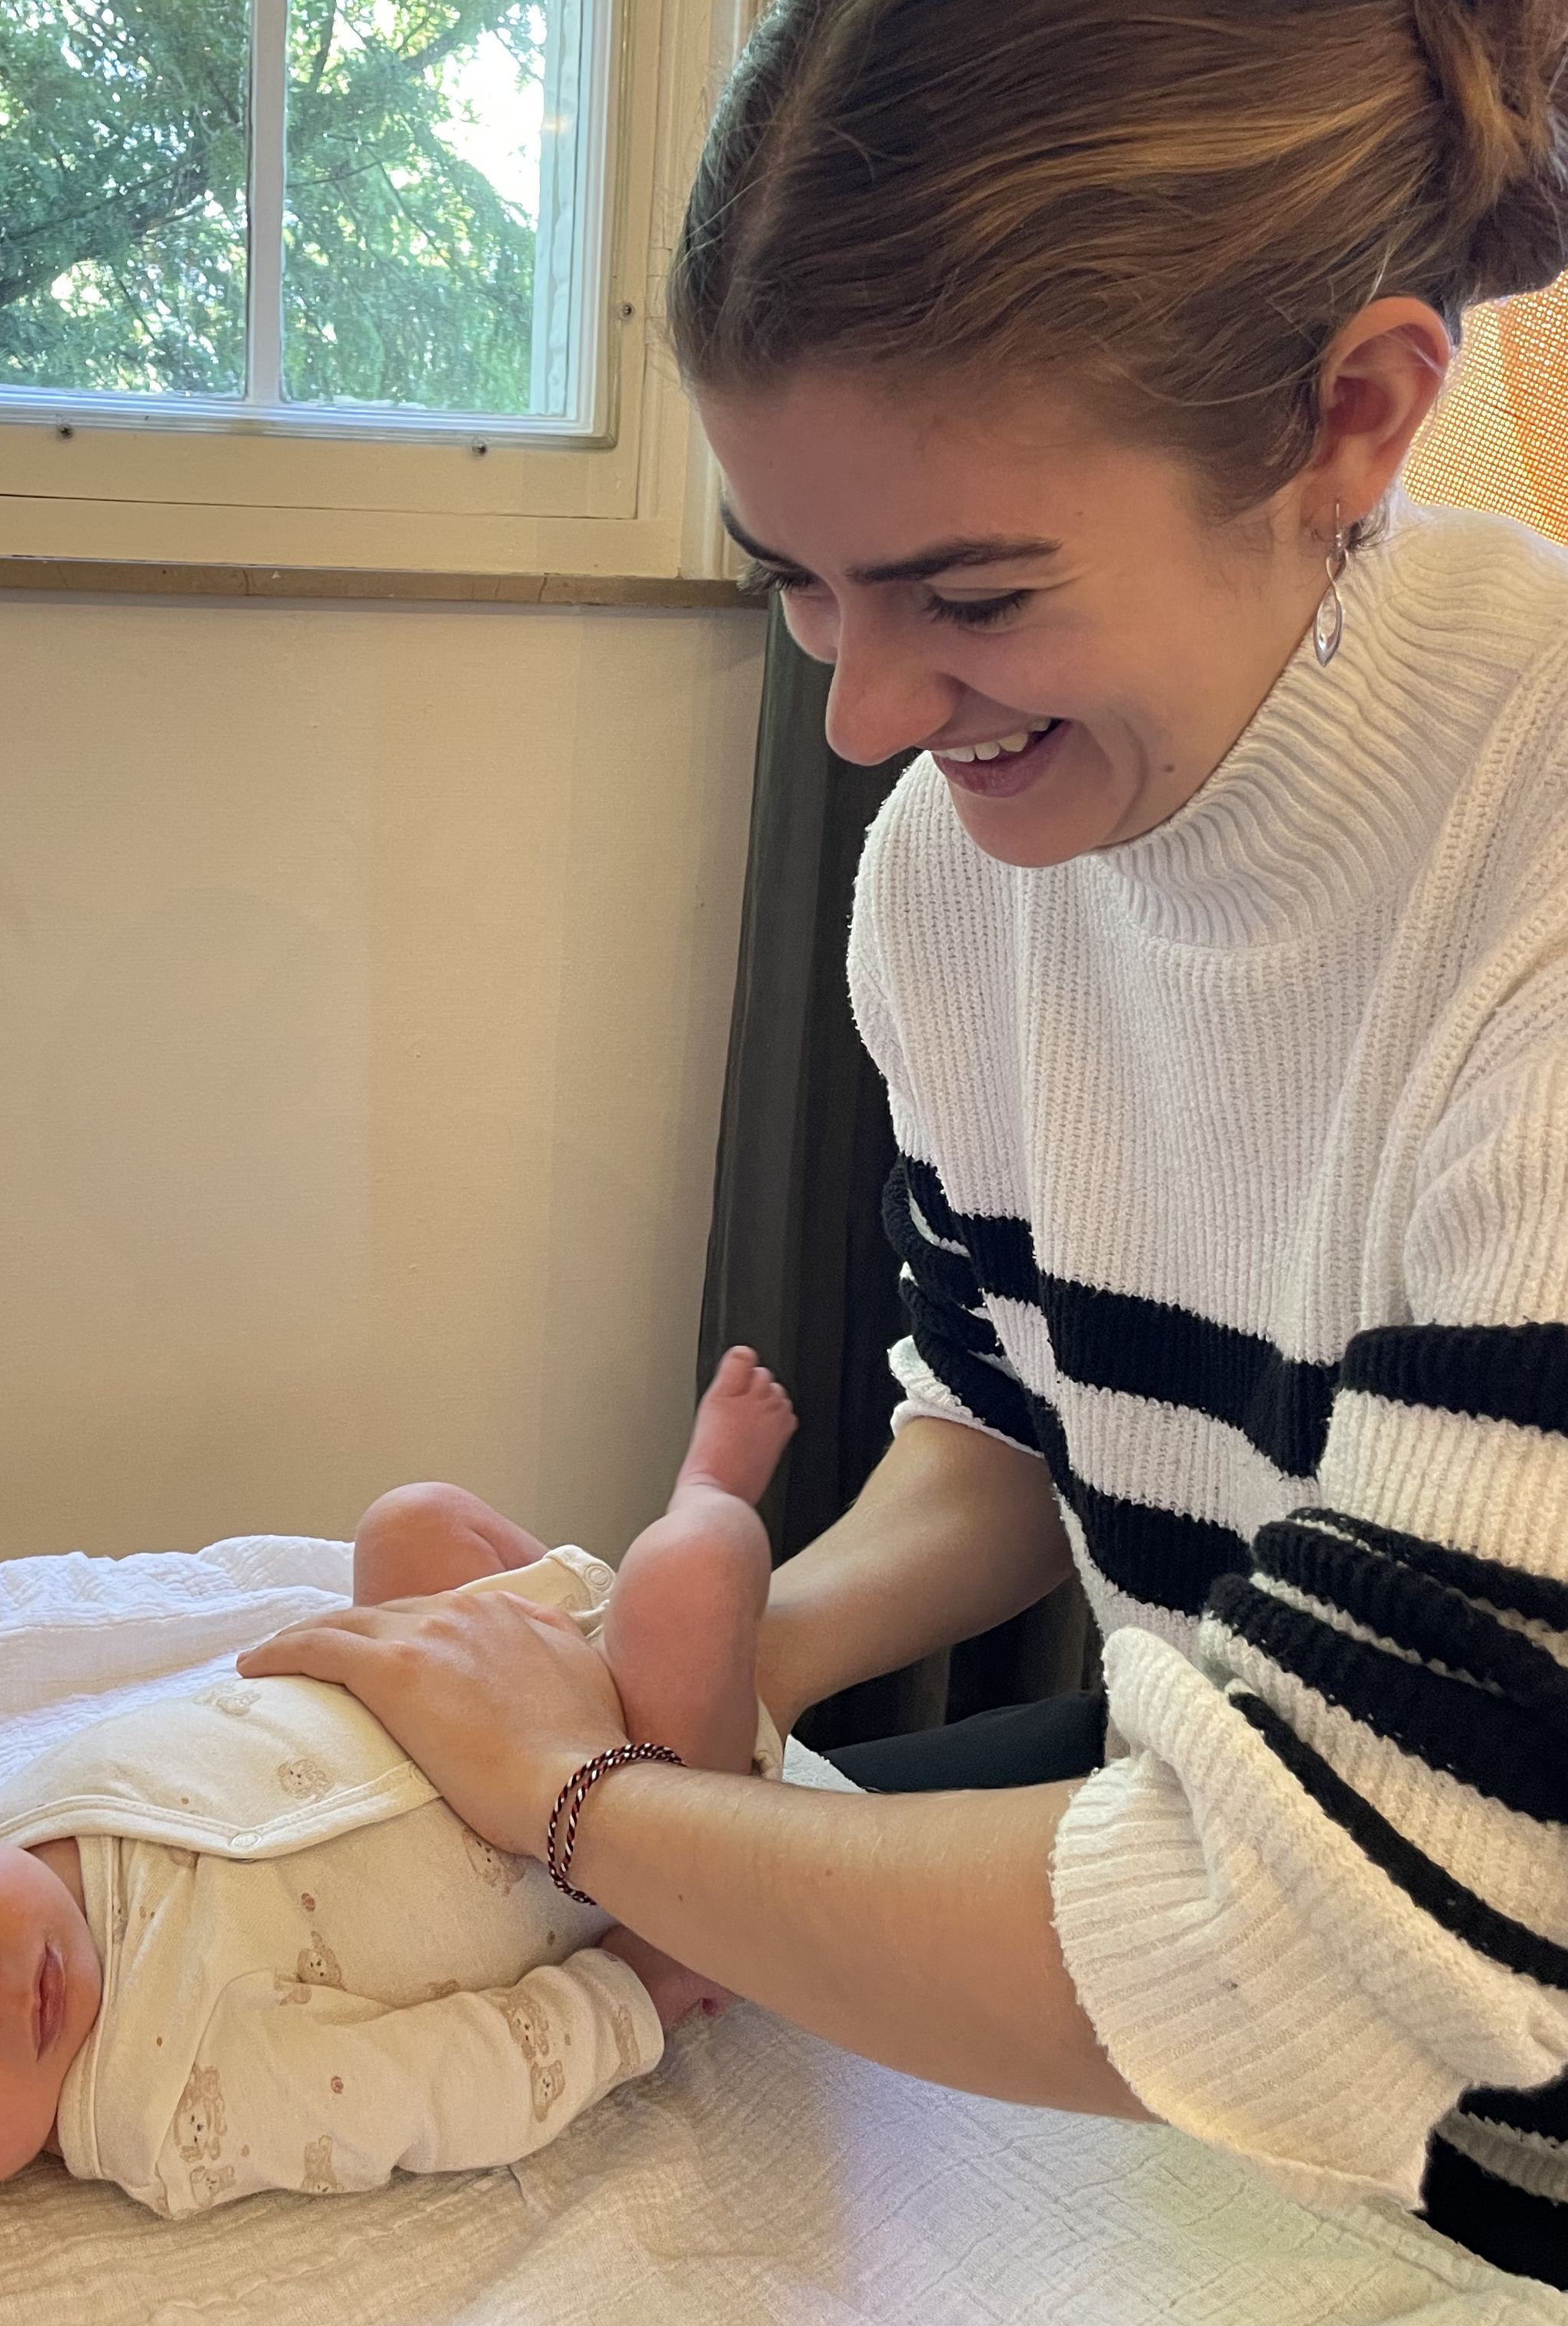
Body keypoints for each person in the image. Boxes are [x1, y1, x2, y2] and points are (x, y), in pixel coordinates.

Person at [240, 0, 1568, 2289]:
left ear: (1354, 418)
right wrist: (706, 1658)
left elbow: (1344, 1941)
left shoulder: (1521, 886)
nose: (863, 713)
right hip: (1267, 2005)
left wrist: (584, 1800)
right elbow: (1003, 1437)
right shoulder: (960, 883)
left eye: (972, 596)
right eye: (792, 577)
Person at [0, 1351, 796, 2239]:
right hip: (605, 1823)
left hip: (461, 1683)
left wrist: (390, 1635)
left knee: (409, 1525)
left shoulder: (24, 1826)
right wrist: (633, 1986)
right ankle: (704, 1502)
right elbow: (445, 2089)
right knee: (689, 1576)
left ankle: (596, 1602)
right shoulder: (171, 2104)